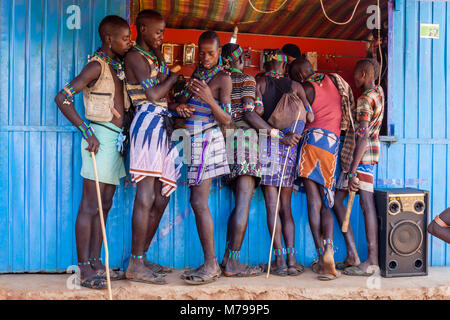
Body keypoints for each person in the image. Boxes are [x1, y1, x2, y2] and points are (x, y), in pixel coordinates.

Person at [54, 15, 132, 289]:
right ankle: (84, 268)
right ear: (109, 39)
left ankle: (97, 262)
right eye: (125, 38)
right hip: (98, 142)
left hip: (114, 143)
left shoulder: (116, 66)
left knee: (105, 205)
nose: (129, 41)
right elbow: (62, 97)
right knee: (90, 206)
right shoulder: (95, 66)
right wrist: (87, 131)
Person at [123, 9, 188, 284]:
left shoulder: (155, 56)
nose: (162, 36)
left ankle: (142, 255)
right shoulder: (134, 57)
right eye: (158, 31)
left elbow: (161, 99)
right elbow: (151, 94)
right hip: (147, 124)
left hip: (162, 123)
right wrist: (174, 76)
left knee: (162, 195)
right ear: (143, 29)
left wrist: (176, 107)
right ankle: (135, 263)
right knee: (146, 196)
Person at [245, 50, 313, 277]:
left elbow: (255, 113)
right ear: (285, 67)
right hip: (290, 148)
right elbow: (310, 116)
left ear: (267, 63)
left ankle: (279, 260)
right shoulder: (296, 86)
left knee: (271, 208)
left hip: (268, 145)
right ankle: (292, 259)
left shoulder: (260, 82)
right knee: (286, 208)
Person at [178, 31, 233, 284]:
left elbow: (227, 119)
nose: (206, 57)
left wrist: (209, 100)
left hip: (208, 140)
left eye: (211, 53)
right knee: (197, 202)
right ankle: (209, 262)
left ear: (219, 52)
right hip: (193, 140)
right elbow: (189, 102)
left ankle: (211, 263)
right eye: (202, 52)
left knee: (199, 202)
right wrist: (183, 105)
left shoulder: (223, 78)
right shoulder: (198, 74)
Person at [290, 57, 343, 280]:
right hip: (332, 145)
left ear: (300, 75)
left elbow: (299, 119)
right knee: (325, 203)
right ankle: (329, 248)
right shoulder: (331, 81)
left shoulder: (305, 88)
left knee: (313, 200)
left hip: (312, 141)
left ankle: (321, 257)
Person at [333, 58, 384, 276]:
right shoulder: (379, 93)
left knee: (366, 204)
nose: (354, 79)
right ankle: (353, 254)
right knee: (337, 200)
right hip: (366, 156)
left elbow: (362, 138)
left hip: (362, 158)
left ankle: (371, 260)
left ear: (364, 74)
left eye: (356, 74)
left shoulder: (364, 100)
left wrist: (352, 171)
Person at [219, 43, 263, 277]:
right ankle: (234, 262)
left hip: (225, 141)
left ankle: (227, 257)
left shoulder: (218, 78)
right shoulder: (247, 79)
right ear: (239, 60)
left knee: (238, 203)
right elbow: (250, 112)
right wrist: (276, 134)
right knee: (244, 202)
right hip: (245, 139)